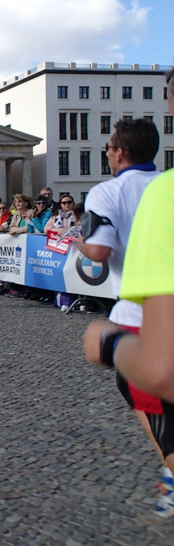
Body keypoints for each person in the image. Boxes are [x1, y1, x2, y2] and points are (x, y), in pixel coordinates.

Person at [78, 118, 170, 515]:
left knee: (147, 390)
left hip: (142, 307)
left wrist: (76, 241)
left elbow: (98, 251)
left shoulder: (108, 191)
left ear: (117, 152)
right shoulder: (164, 183)